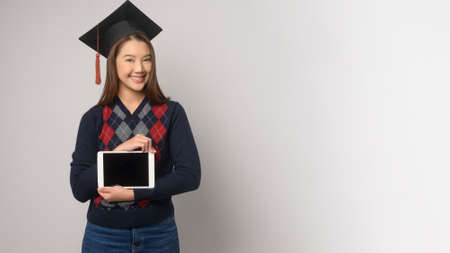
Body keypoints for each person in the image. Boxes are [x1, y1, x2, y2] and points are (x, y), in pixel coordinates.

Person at [70, 1, 201, 252]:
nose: (140, 68)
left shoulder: (172, 113)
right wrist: (119, 152)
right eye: (129, 59)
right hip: (103, 237)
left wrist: (132, 195)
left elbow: (190, 176)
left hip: (158, 234)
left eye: (147, 59)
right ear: (113, 63)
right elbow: (79, 188)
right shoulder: (93, 119)